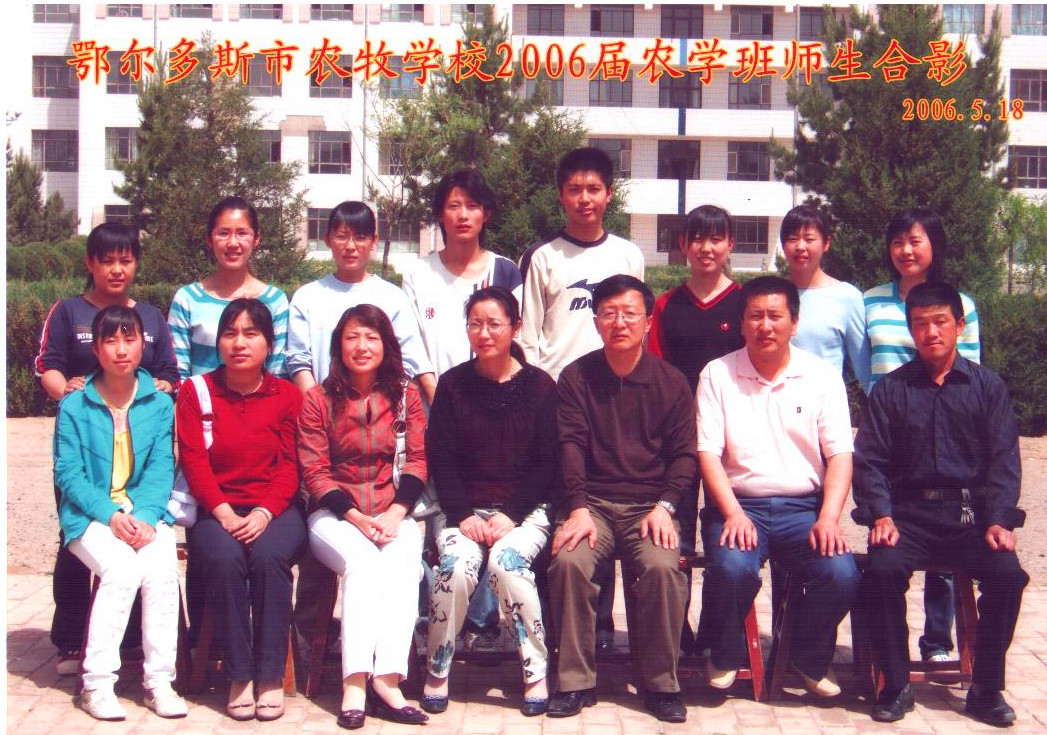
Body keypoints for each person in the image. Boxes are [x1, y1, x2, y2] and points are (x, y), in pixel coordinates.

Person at [854, 282, 1028, 726]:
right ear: (910, 329)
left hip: (970, 518)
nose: (930, 332)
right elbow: (870, 460)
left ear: (959, 325)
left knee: (1008, 575)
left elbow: (1004, 461)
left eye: (940, 322)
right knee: (881, 570)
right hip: (907, 517)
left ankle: (986, 688)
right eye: (920, 324)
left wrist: (999, 520)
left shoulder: (987, 387)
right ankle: (895, 685)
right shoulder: (890, 390)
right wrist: (881, 514)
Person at [696, 276, 859, 698]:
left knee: (841, 573)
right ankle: (726, 652)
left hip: (803, 509)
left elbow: (840, 455)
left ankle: (808, 655)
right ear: (742, 323)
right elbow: (708, 453)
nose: (765, 325)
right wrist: (733, 513)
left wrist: (829, 518)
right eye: (755, 316)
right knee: (732, 569)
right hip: (738, 506)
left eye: (775, 315)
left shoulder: (821, 376)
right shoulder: (717, 374)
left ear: (794, 322)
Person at [285, 201, 436, 646]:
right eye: (341, 235)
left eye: (360, 236)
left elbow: (410, 361)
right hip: (325, 433)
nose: (350, 245)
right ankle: (313, 641)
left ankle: (393, 644)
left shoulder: (392, 296)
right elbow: (298, 362)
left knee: (393, 551)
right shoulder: (308, 296)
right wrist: (326, 412)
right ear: (328, 239)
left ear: (374, 242)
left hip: (379, 432)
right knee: (324, 550)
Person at [547, 275, 696, 723]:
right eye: (609, 313)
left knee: (662, 568)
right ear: (595, 321)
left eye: (630, 313)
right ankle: (574, 681)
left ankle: (660, 684)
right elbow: (569, 446)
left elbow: (685, 456)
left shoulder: (671, 382)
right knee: (569, 562)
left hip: (649, 507)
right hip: (591, 503)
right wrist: (577, 507)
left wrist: (666, 507)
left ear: (648, 322)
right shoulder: (576, 377)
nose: (620, 322)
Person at [35, 222, 178, 675]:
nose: (117, 269)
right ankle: (70, 641)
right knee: (77, 538)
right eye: (107, 260)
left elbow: (169, 371)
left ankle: (132, 640)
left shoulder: (150, 317)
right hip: (85, 438)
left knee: (138, 538)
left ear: (136, 264)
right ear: (90, 264)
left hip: (134, 439)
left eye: (126, 260)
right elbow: (47, 365)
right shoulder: (68, 311)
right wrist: (68, 394)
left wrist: (163, 385)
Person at [518, 147, 644, 651]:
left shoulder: (628, 254)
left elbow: (634, 322)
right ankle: (556, 628)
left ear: (609, 194)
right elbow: (528, 335)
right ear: (561, 196)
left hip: (613, 399)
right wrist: (538, 394)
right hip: (557, 400)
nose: (585, 198)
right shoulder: (544, 257)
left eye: (594, 189)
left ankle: (602, 626)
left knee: (606, 506)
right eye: (575, 189)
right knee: (563, 514)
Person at [401, 169, 523, 651]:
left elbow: (512, 338)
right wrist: (443, 398)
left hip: (491, 411)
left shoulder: (505, 270)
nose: (463, 215)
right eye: (453, 205)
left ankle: (482, 624)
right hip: (432, 408)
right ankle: (429, 619)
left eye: (472, 205)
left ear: (486, 213)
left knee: (484, 507)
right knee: (436, 514)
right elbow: (413, 348)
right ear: (440, 213)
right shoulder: (417, 273)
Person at [422, 287, 557, 717]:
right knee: (455, 568)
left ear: (515, 328)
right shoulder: (453, 384)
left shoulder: (540, 386)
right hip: (462, 512)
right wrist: (463, 514)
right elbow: (441, 457)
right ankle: (438, 667)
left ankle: (535, 671)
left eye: (494, 324)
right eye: (475, 324)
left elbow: (548, 462)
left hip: (524, 512)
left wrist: (511, 514)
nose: (484, 333)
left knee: (507, 564)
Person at [299, 305, 430, 730]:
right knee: (364, 562)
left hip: (393, 511)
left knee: (404, 562)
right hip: (334, 516)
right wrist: (356, 518)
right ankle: (354, 682)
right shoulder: (318, 399)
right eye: (352, 337)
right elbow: (315, 472)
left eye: (371, 337)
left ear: (386, 345)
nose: (362, 346)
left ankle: (388, 680)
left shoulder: (406, 396)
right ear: (339, 344)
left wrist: (396, 513)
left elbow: (418, 462)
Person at [53, 305, 186, 720]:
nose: (121, 349)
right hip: (90, 516)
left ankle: (159, 682)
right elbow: (68, 474)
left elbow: (162, 466)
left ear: (143, 345)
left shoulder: (159, 403)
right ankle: (96, 684)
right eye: (110, 340)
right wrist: (110, 515)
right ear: (95, 349)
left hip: (144, 512)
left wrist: (145, 515)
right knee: (122, 571)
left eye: (130, 339)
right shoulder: (74, 405)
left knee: (161, 572)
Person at [177, 299, 304, 722]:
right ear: (218, 342)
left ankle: (269, 675)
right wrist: (224, 513)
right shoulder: (196, 392)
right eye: (230, 333)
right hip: (217, 509)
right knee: (226, 558)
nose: (239, 343)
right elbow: (194, 460)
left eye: (251, 334)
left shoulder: (287, 396)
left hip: (276, 510)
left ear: (269, 344)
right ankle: (239, 675)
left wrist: (265, 512)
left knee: (269, 558)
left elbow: (290, 465)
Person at [864, 208, 981, 664]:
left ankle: (936, 641)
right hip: (891, 426)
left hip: (944, 427)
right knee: (891, 530)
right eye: (898, 242)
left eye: (915, 241)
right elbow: (861, 362)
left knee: (946, 522)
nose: (906, 250)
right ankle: (886, 648)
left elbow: (971, 369)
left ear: (935, 244)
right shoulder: (871, 301)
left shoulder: (958, 303)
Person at [647, 205, 745, 654]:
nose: (707, 248)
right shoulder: (667, 305)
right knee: (678, 534)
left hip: (732, 441)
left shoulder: (745, 304)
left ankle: (716, 633)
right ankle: (676, 629)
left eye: (716, 238)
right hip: (680, 440)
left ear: (730, 244)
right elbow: (655, 374)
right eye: (698, 239)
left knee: (727, 535)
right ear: (684, 245)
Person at [168, 196, 289, 379]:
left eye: (242, 233)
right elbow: (179, 374)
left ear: (256, 239)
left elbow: (277, 374)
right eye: (223, 233)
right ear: (210, 239)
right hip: (199, 397)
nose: (233, 243)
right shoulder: (187, 299)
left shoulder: (275, 301)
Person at [781, 204, 871, 393]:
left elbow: (864, 369)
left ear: (826, 243)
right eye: (792, 239)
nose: (800, 247)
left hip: (825, 404)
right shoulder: (772, 295)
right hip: (774, 403)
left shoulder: (847, 296)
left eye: (809, 239)